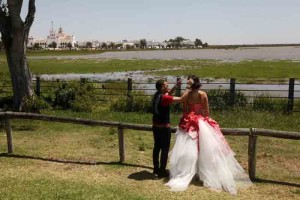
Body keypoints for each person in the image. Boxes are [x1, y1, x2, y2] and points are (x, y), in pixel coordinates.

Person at [165, 75, 252, 195]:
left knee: (188, 148)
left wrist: (187, 116)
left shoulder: (187, 94)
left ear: (190, 83)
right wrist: (206, 121)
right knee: (207, 148)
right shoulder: (202, 94)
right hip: (200, 121)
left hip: (189, 121)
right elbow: (206, 111)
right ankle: (203, 172)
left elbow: (184, 109)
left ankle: (191, 172)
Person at [151, 79, 188, 178]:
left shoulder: (157, 95)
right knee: (165, 149)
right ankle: (162, 171)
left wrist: (176, 87)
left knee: (157, 147)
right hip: (164, 128)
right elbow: (181, 99)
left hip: (155, 127)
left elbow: (168, 94)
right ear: (162, 87)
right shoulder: (164, 98)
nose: (168, 86)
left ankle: (156, 169)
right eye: (167, 85)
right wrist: (188, 88)